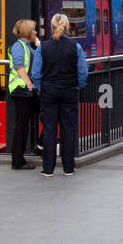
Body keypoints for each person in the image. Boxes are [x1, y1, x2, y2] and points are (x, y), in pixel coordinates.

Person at [36, 12, 88, 176]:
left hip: (49, 91)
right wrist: (78, 85)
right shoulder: (76, 47)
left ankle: (48, 169)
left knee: (49, 130)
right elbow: (83, 72)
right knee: (68, 129)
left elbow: (36, 73)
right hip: (69, 91)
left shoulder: (42, 47)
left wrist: (39, 87)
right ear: (67, 27)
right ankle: (68, 168)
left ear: (51, 27)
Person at [7, 19, 42, 170]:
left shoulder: (28, 46)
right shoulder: (18, 46)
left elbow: (39, 59)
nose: (35, 32)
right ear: (28, 32)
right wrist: (29, 84)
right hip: (22, 90)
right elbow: (19, 66)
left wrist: (39, 44)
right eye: (33, 30)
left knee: (44, 116)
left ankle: (39, 146)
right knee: (21, 125)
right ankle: (17, 161)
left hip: (27, 90)